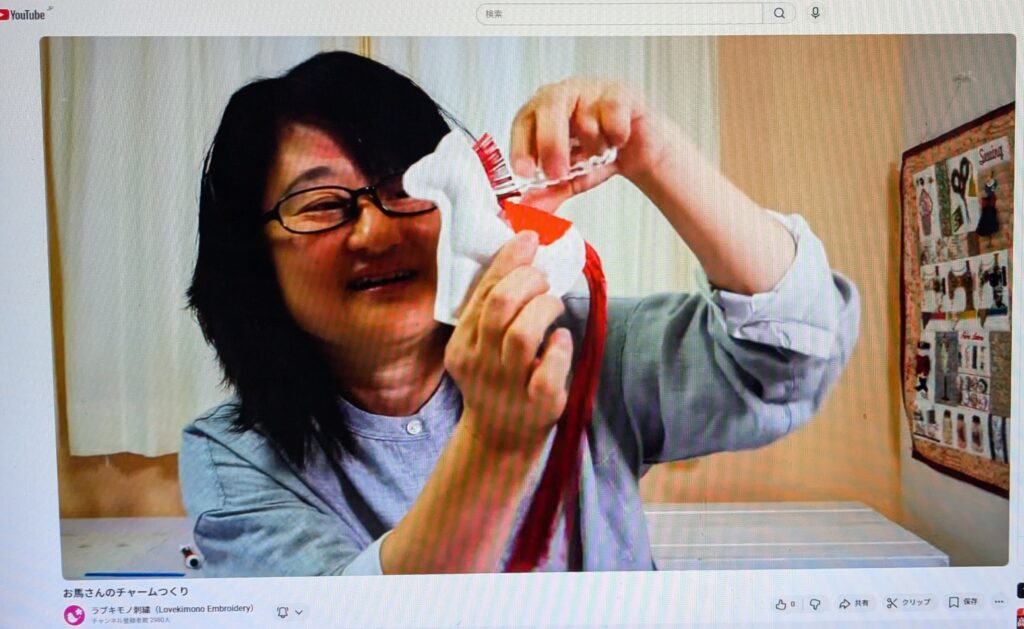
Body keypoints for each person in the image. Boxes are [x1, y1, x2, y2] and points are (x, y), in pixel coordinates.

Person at [180, 51, 860, 576]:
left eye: (402, 186)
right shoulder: (234, 457)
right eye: (322, 205)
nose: (375, 231)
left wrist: (655, 151)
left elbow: (793, 356)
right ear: (253, 257)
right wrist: (495, 444)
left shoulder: (576, 343)